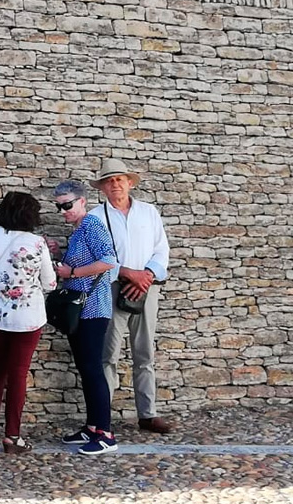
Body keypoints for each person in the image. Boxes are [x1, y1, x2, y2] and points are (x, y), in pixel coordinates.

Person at [89, 159, 173, 434]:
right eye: (109, 180)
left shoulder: (148, 213)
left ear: (129, 182)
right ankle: (103, 417)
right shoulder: (96, 217)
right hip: (111, 288)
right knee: (108, 354)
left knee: (144, 352)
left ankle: (148, 414)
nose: (115, 184)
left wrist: (146, 275)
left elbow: (161, 249)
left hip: (146, 289)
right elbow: (93, 255)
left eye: (119, 179)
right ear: (102, 187)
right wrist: (127, 273)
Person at [0, 191, 55, 454]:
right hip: (27, 317)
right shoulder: (38, 243)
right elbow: (50, 282)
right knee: (18, 374)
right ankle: (12, 435)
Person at [52, 180, 121, 455]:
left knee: (93, 369)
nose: (62, 211)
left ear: (82, 201)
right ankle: (93, 427)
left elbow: (109, 260)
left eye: (67, 205)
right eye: (59, 207)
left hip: (93, 309)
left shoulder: (91, 225)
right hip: (82, 309)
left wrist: (72, 274)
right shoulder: (79, 230)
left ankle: (105, 434)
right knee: (86, 368)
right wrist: (59, 254)